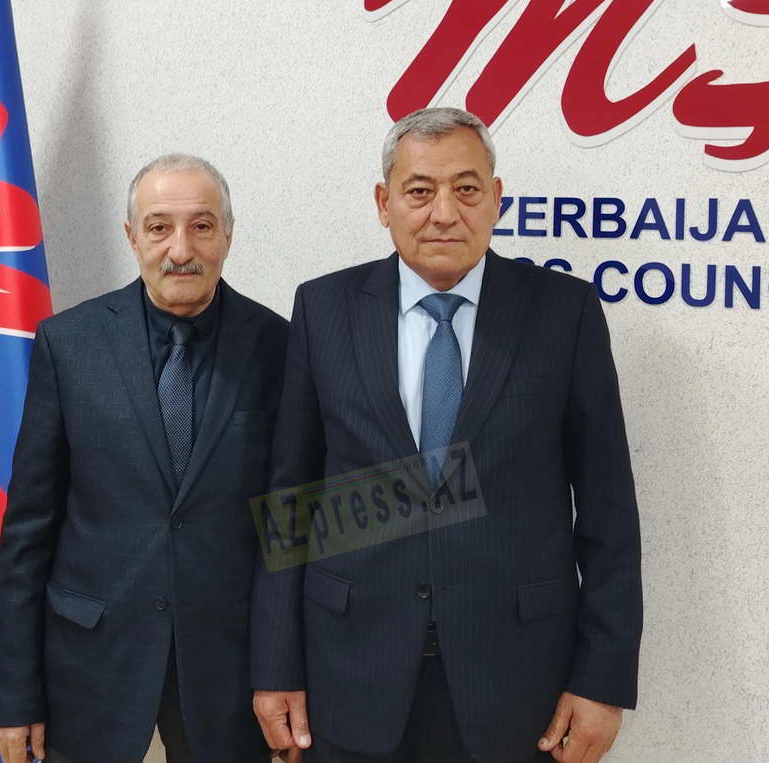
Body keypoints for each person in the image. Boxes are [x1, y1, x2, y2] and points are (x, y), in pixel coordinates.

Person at [251, 108, 642, 763]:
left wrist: (602, 680)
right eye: (419, 190)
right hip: (348, 673)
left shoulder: (563, 313)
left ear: (496, 198)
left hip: (517, 682)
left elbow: (608, 511)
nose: (443, 213)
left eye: (465, 189)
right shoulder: (324, 309)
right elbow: (292, 496)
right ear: (384, 203)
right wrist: (274, 666)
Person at [0, 154, 287, 763]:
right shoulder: (68, 344)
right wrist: (13, 695)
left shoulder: (280, 346)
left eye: (202, 226)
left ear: (229, 234)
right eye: (159, 227)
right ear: (132, 236)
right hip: (90, 663)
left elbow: (290, 530)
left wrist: (285, 671)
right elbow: (27, 530)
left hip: (229, 672)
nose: (181, 249)